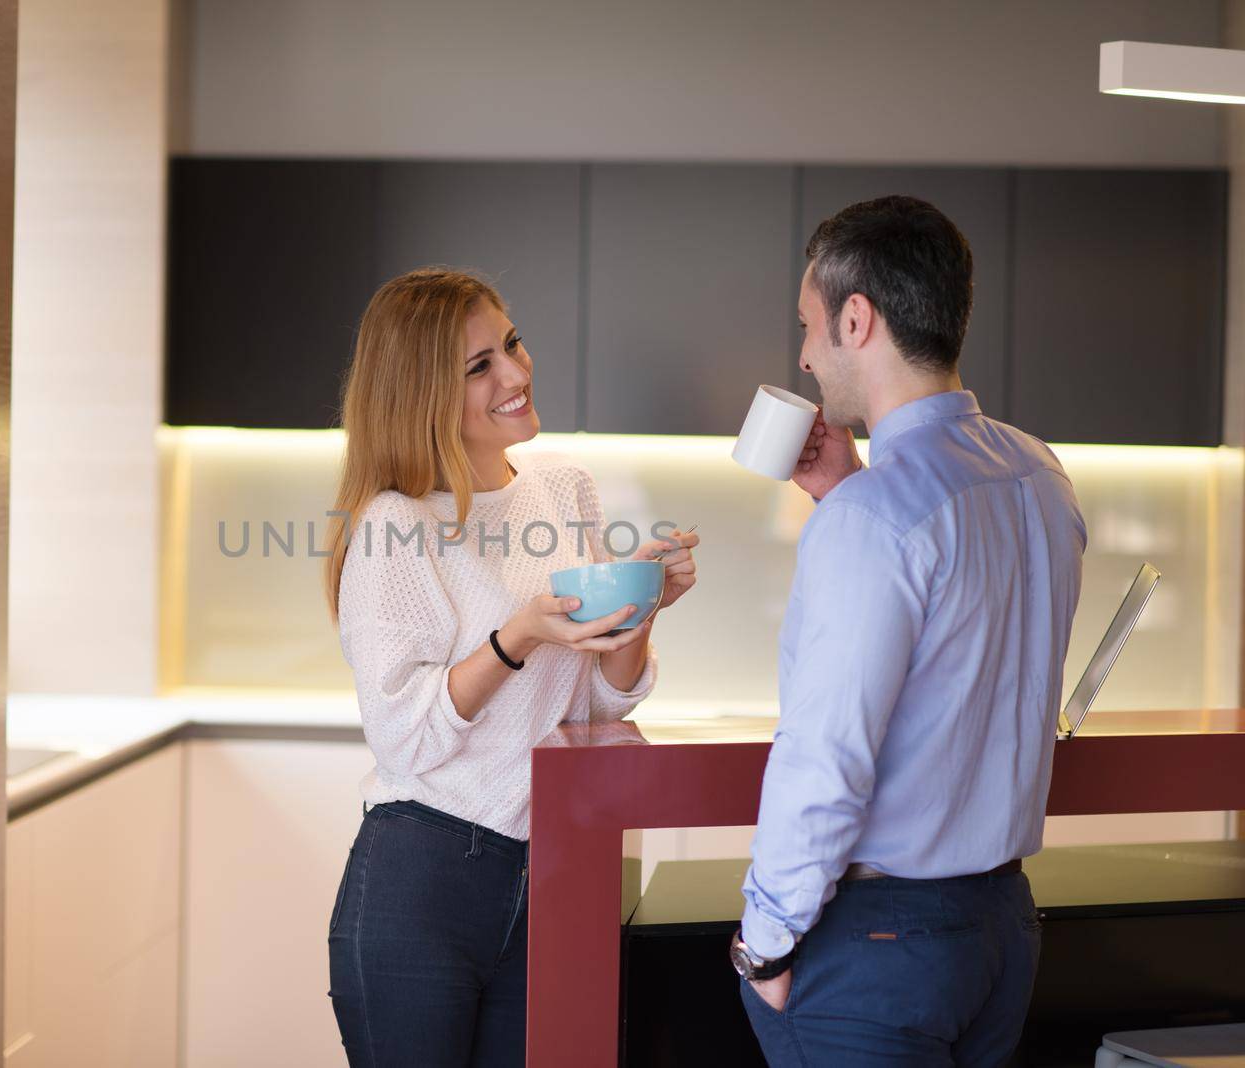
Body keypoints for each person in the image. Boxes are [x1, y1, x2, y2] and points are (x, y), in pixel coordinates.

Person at [732, 196, 1087, 1066]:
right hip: (999, 930)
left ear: (858, 319)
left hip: (880, 952)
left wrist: (767, 943)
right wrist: (844, 487)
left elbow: (828, 755)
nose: (807, 354)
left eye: (811, 326)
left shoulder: (872, 518)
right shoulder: (1039, 471)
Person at [323, 267, 699, 1067]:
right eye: (479, 366)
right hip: (422, 878)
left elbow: (600, 708)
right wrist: (516, 637)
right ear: (422, 393)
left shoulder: (564, 492)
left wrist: (641, 609)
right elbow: (405, 739)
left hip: (552, 871)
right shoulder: (396, 523)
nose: (517, 374)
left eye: (512, 344)